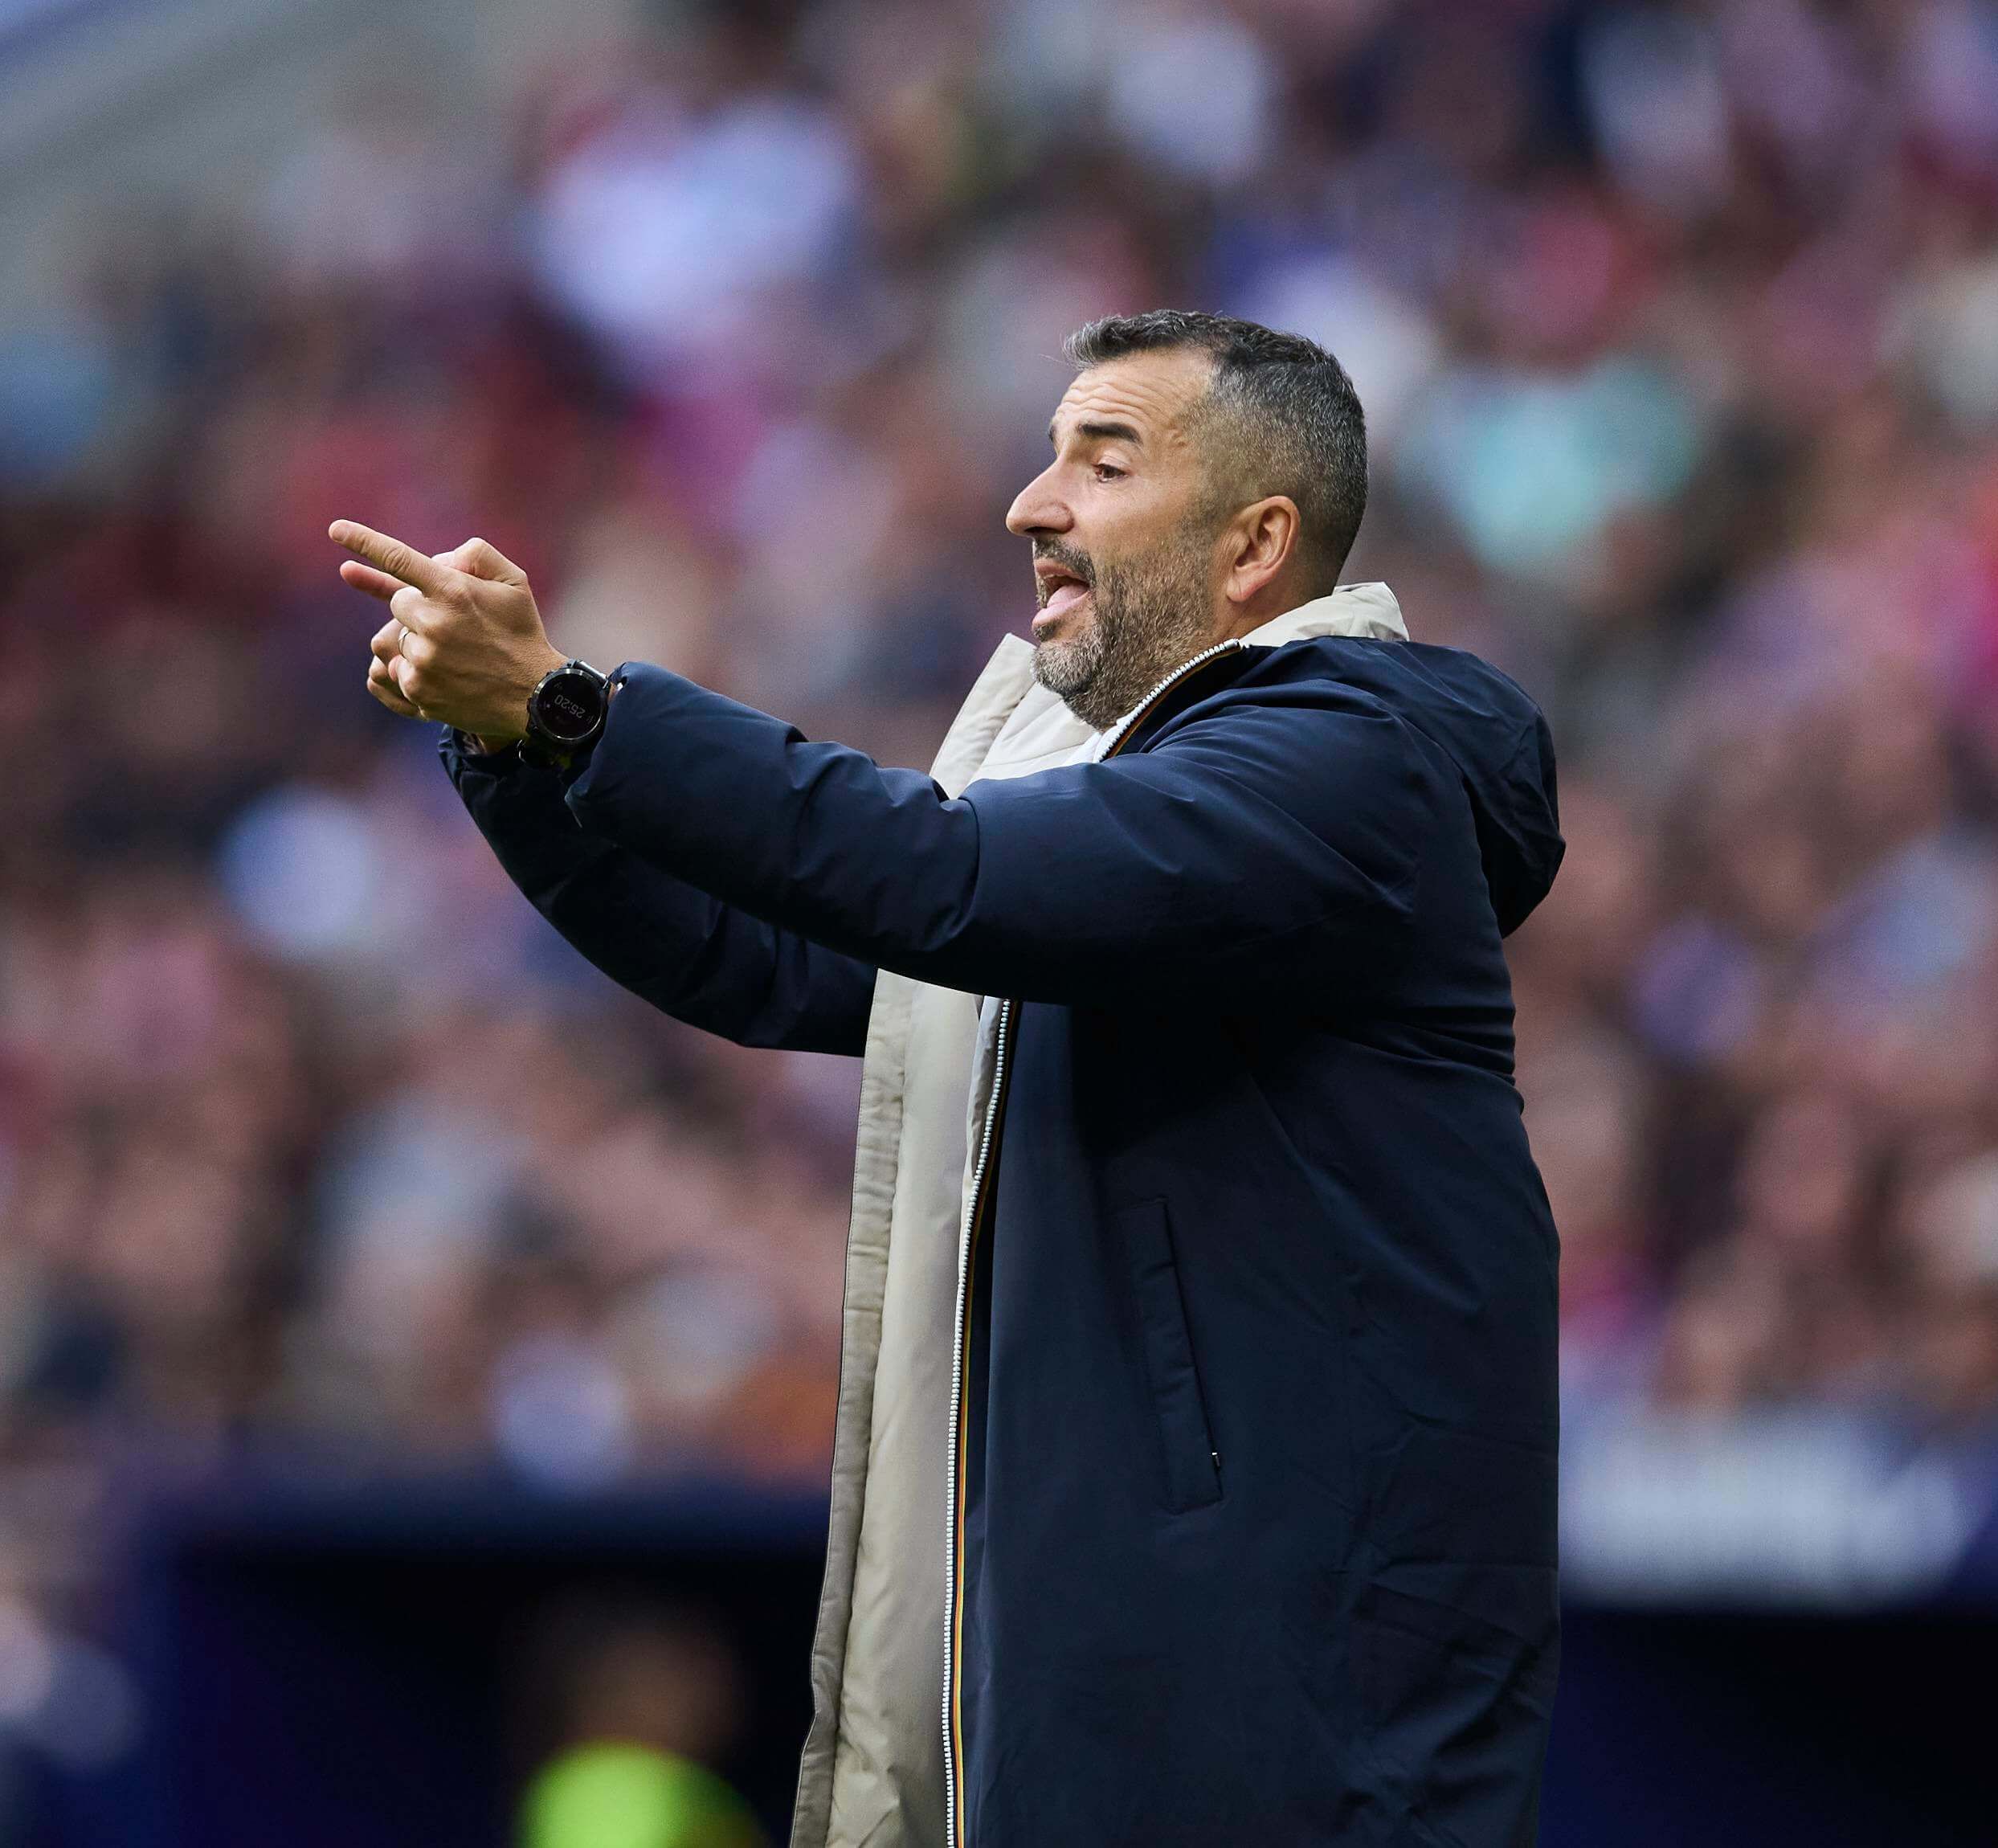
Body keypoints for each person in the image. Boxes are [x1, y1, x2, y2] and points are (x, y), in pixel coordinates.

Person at [333, 310, 1563, 1847]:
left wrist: (579, 708)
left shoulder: (1344, 759)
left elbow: (941, 872)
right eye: (1046, 456)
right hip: (1130, 1671)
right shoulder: (1147, 839)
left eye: (1100, 464)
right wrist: (513, 754)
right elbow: (766, 963)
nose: (1029, 504)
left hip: (1292, 1707)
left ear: (1257, 544)